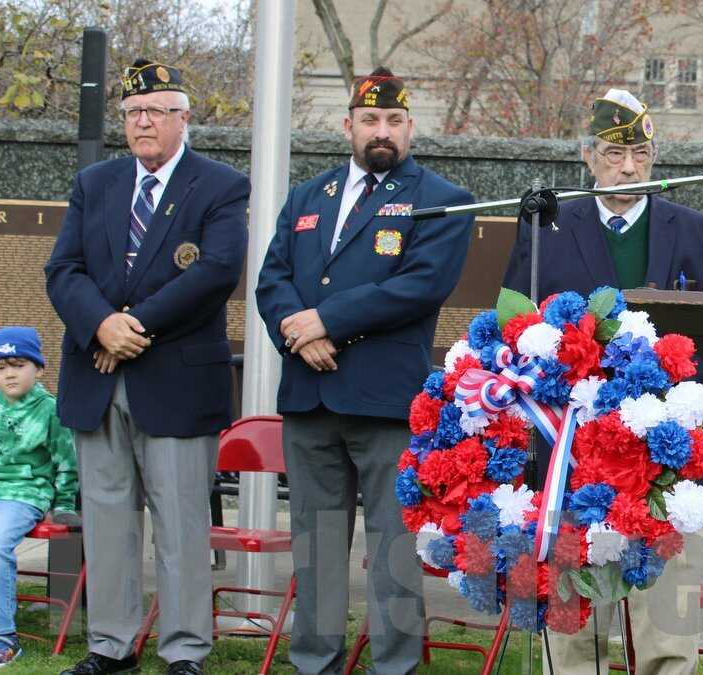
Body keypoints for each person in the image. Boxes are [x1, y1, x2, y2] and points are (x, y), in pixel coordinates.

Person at [502, 89, 703, 675]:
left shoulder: (701, 235)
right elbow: (517, 329)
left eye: (641, 154)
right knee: (572, 623)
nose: (629, 168)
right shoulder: (547, 228)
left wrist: (667, 373)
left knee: (665, 619)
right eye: (614, 153)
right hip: (572, 449)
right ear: (588, 155)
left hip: (664, 455)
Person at [256, 66, 475, 675]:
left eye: (394, 120)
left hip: (385, 402)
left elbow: (420, 285)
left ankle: (394, 665)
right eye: (370, 119)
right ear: (347, 125)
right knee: (316, 545)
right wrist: (299, 336)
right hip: (310, 393)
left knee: (393, 547)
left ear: (410, 128)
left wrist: (326, 321)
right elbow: (273, 280)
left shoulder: (442, 199)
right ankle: (315, 661)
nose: (383, 130)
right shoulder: (307, 197)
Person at [45, 58, 250, 675]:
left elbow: (215, 273)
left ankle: (184, 650)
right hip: (97, 376)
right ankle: (112, 646)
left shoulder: (220, 185)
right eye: (133, 112)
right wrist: (100, 325)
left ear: (184, 118)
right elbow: (64, 270)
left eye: (157, 111)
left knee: (181, 523)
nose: (143, 122)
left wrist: (130, 328)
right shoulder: (95, 183)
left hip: (176, 381)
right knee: (107, 521)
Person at [0, 327, 79, 668]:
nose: (9, 374)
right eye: (0, 367)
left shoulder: (51, 410)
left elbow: (66, 462)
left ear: (38, 369)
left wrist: (65, 504)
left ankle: (2, 637)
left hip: (22, 494)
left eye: (18, 365)